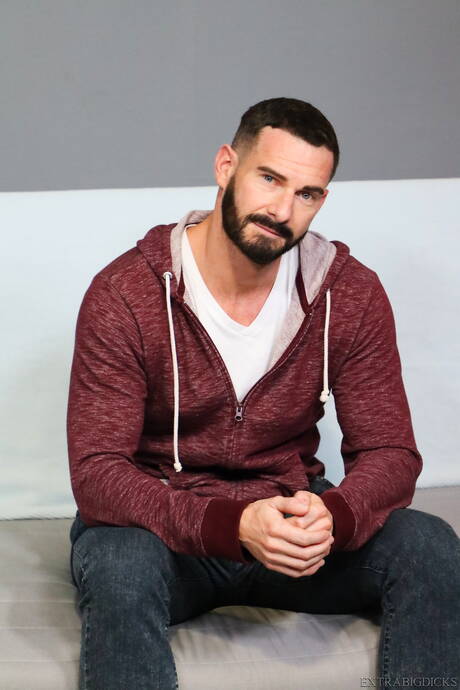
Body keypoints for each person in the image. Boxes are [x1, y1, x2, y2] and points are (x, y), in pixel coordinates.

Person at [67, 97, 459, 689]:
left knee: (429, 545)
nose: (281, 210)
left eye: (307, 193)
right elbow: (97, 473)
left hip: (291, 528)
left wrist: (333, 515)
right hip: (167, 536)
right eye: (269, 179)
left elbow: (391, 453)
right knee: (119, 566)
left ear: (322, 199)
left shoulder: (350, 294)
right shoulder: (126, 293)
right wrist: (232, 526)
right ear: (227, 165)